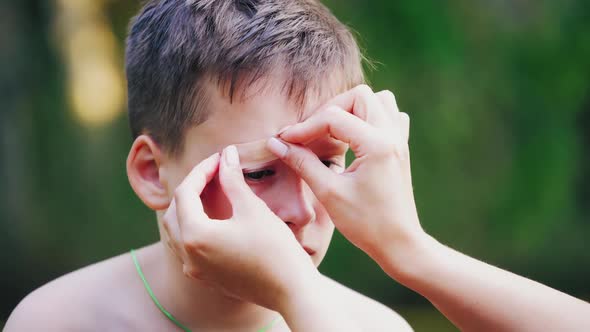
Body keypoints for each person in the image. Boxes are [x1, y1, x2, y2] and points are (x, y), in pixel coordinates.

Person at [4, 0, 412, 331]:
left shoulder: (375, 325)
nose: (302, 210)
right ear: (152, 172)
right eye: (258, 171)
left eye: (326, 162)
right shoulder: (55, 321)